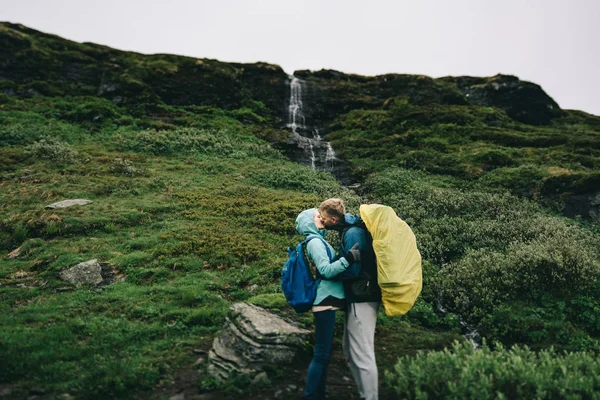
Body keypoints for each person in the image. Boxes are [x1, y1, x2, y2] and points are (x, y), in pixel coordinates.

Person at [316, 198, 381, 400]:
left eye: (324, 218)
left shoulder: (352, 232)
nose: (322, 221)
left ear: (334, 219)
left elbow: (354, 270)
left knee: (362, 353)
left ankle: (370, 397)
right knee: (351, 350)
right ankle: (365, 394)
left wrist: (326, 273)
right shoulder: (349, 230)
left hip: (362, 296)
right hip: (359, 296)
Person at [295, 208, 361, 400]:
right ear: (309, 222)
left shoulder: (318, 240)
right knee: (322, 353)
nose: (322, 219)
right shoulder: (315, 242)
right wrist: (348, 259)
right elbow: (326, 270)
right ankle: (311, 396)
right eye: (317, 217)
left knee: (323, 354)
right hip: (325, 301)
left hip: (327, 300)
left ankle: (318, 395)